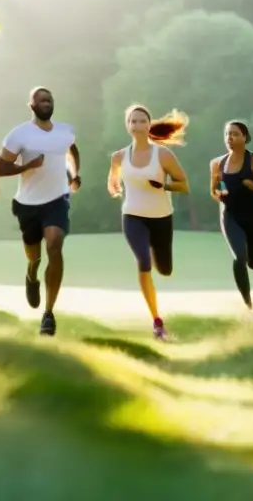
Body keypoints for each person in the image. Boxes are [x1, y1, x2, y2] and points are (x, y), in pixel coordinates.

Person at [0, 87, 80, 337]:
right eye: (41, 100)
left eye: (49, 99)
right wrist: (28, 165)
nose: (46, 102)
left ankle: (48, 314)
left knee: (54, 245)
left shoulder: (65, 131)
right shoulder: (19, 134)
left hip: (57, 200)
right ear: (31, 105)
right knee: (35, 256)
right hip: (28, 204)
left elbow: (73, 150)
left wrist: (74, 176)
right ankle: (32, 273)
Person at [107, 105, 190, 341]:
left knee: (164, 269)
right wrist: (114, 186)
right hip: (132, 216)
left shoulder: (162, 155)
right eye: (132, 121)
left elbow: (184, 185)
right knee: (143, 261)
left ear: (149, 124)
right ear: (128, 125)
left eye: (142, 121)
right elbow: (113, 180)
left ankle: (154, 252)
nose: (137, 125)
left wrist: (163, 186)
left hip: (161, 218)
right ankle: (156, 321)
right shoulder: (119, 157)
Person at [209, 121, 253, 311]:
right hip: (230, 216)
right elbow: (214, 191)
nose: (230, 138)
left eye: (235, 134)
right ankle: (248, 305)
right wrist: (220, 192)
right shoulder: (217, 164)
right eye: (227, 134)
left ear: (245, 138)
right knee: (239, 257)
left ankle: (250, 263)